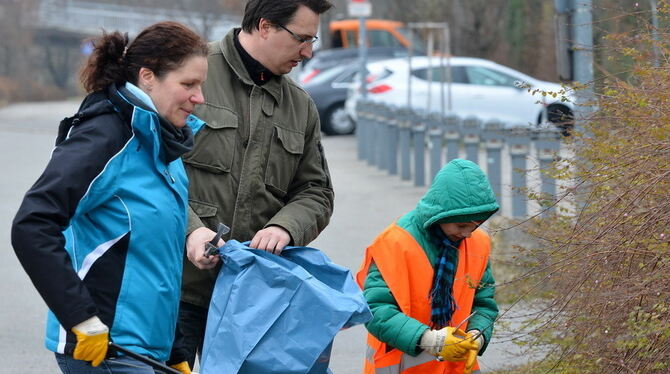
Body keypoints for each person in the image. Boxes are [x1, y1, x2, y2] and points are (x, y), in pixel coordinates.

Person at [11, 21, 208, 374]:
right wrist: (80, 317)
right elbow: (32, 224)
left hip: (149, 352)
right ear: (148, 76)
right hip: (107, 350)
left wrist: (175, 346)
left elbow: (156, 257)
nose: (200, 97)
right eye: (188, 84)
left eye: (201, 85)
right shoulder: (105, 137)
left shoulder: (163, 146)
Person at [166, 0, 335, 371]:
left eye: (313, 41)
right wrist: (191, 232)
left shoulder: (300, 107)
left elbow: (316, 191)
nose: (308, 52)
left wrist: (285, 226)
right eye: (302, 39)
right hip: (174, 289)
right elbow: (151, 169)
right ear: (264, 26)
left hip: (251, 298)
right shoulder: (190, 74)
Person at [356, 159, 500, 374]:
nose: (468, 234)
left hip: (456, 367)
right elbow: (375, 310)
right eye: (461, 225)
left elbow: (483, 302)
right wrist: (427, 339)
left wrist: (478, 334)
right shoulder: (394, 243)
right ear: (441, 216)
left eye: (476, 225)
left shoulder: (477, 242)